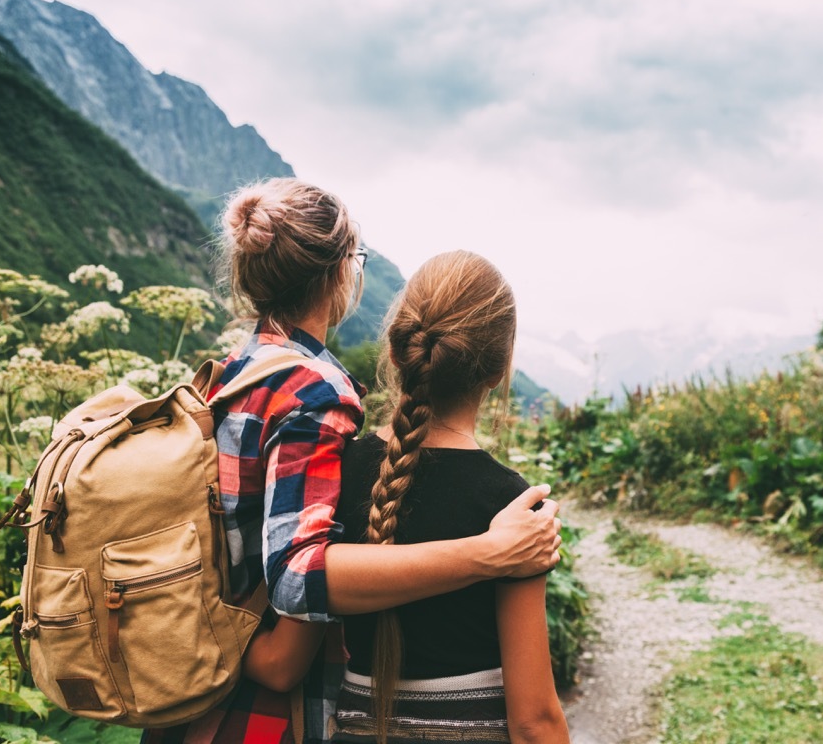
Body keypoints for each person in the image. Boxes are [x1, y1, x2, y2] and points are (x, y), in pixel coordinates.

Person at [144, 180, 561, 744]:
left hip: (195, 681)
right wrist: (487, 553)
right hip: (256, 717)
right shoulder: (316, 395)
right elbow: (297, 583)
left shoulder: (229, 376)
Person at [321, 250, 567, 743]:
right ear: (498, 370)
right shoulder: (513, 509)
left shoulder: (336, 469)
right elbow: (533, 720)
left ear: (396, 353)